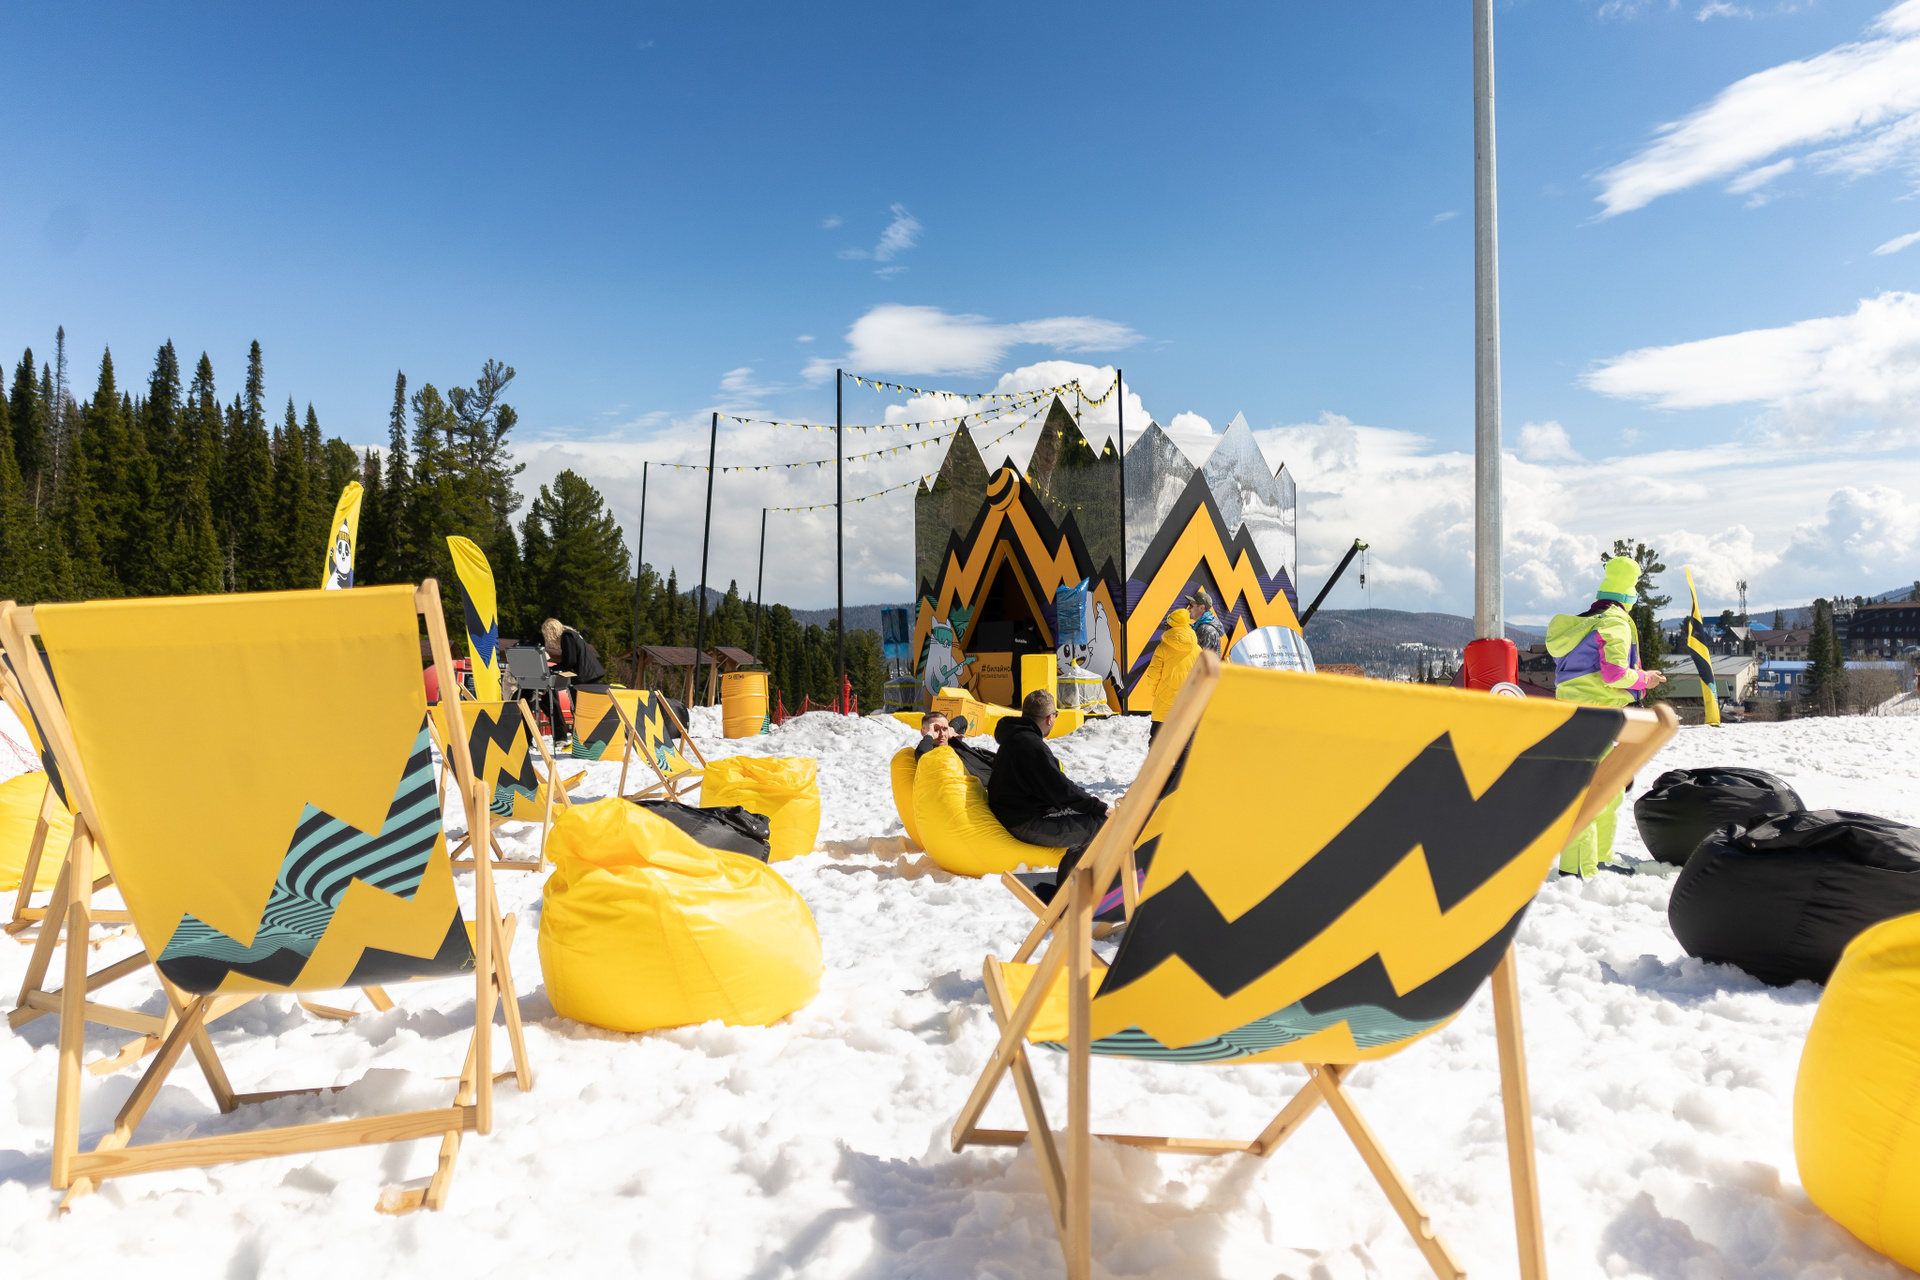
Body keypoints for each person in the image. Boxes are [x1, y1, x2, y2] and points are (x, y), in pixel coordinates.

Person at [1546, 556, 1666, 878]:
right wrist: (1646, 680)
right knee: (1594, 791)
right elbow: (1614, 674)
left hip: (1580, 715)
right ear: (1629, 597)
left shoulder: (1584, 623)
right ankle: (1580, 868)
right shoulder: (1615, 623)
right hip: (1597, 716)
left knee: (1606, 789)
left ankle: (1597, 860)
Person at [988, 689, 1111, 896]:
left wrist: (1088, 799)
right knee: (1103, 824)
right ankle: (1079, 887)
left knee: (1090, 812)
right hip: (1025, 823)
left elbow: (1056, 785)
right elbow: (1060, 790)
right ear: (1050, 718)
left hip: (1016, 813)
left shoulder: (1014, 737)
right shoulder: (1031, 746)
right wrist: (1097, 806)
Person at [1142, 606, 1200, 743]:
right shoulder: (1197, 649)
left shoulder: (1162, 648)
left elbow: (1153, 675)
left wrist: (1157, 692)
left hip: (1164, 703)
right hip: (1187, 704)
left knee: (1157, 744)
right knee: (1184, 744)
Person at [916, 710, 994, 787]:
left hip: (995, 771)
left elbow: (962, 720)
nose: (942, 734)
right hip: (989, 787)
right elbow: (922, 753)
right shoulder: (931, 752)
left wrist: (951, 729)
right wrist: (930, 735)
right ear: (923, 732)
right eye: (935, 729)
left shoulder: (953, 741)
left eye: (944, 729)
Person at [541, 617, 606, 685]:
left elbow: (570, 661)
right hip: (591, 672)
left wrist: (553, 669)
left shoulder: (567, 636)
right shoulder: (571, 634)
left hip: (586, 675)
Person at [1187, 587, 1226, 657]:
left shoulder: (1206, 630)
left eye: (1191, 606)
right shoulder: (1203, 627)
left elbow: (1198, 659)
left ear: (1201, 607)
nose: (1188, 609)